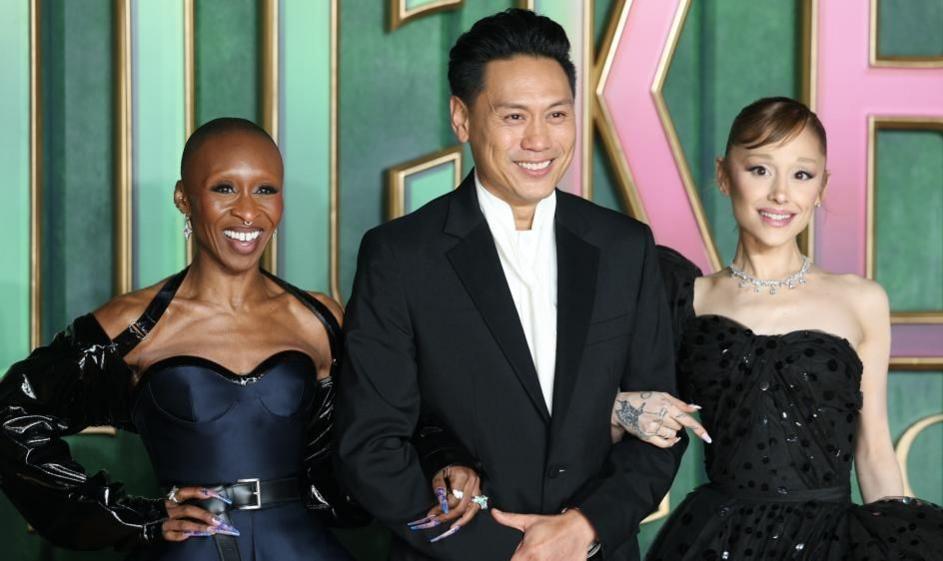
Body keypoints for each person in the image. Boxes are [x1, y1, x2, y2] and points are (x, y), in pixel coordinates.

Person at [0, 118, 476, 561]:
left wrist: (443, 459)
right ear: (184, 198)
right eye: (224, 188)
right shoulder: (131, 322)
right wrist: (130, 513)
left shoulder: (319, 317)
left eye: (265, 189)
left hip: (302, 547)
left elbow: (395, 409)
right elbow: (11, 413)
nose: (248, 211)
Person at [332, 9, 699, 561]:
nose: (538, 140)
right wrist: (508, 550)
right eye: (512, 117)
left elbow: (658, 426)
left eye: (556, 114)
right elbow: (371, 447)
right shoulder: (401, 256)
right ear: (462, 118)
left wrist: (583, 529)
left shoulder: (625, 247)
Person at [612, 97, 943, 560]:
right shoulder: (687, 298)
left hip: (831, 543)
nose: (781, 194)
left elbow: (874, 450)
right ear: (722, 174)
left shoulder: (861, 300)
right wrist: (618, 408)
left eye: (801, 174)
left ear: (821, 187)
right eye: (759, 169)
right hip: (718, 542)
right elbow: (627, 417)